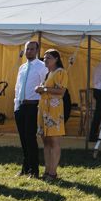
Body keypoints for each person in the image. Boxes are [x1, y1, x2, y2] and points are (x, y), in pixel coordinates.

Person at [13, 40, 47, 178]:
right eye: (27, 49)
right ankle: (25, 168)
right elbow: (17, 87)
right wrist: (16, 104)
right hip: (20, 105)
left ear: (37, 51)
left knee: (30, 138)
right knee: (23, 138)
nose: (29, 52)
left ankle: (34, 170)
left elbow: (45, 86)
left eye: (32, 49)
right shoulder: (22, 67)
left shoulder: (42, 67)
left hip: (33, 105)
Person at [36, 49, 68, 182]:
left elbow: (61, 91)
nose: (45, 60)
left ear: (56, 59)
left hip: (53, 111)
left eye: (48, 58)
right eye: (44, 58)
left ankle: (53, 173)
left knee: (54, 141)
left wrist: (43, 89)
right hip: (44, 109)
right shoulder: (48, 73)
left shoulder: (60, 72)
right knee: (46, 141)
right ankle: (47, 170)